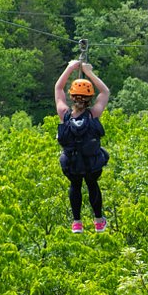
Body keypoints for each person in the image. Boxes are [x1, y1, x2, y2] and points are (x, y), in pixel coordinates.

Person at [54, 58, 111, 232]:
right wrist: (88, 72)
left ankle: (77, 222)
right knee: (92, 185)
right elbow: (105, 92)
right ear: (89, 99)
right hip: (92, 163)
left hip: (72, 164)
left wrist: (70, 68)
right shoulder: (94, 114)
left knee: (75, 186)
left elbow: (58, 89)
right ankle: (98, 220)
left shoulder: (64, 114)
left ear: (72, 96)